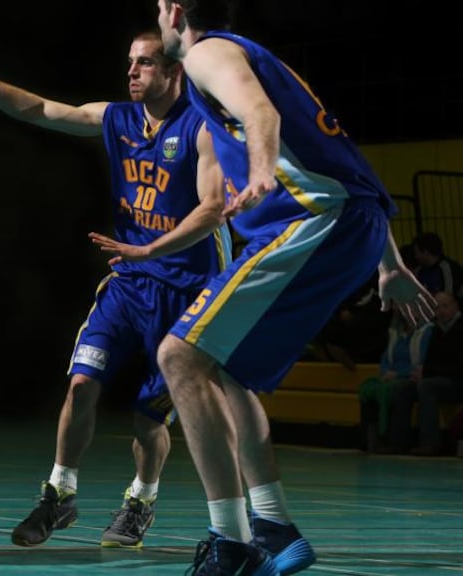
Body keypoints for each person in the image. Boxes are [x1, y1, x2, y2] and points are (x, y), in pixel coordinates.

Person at [151, 1, 438, 574]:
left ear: (176, 10)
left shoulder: (209, 52)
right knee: (229, 373)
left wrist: (260, 169)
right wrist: (389, 262)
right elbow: (344, 160)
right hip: (351, 220)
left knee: (178, 356)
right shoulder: (263, 60)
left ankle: (229, 544)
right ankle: (275, 528)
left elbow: (260, 116)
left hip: (310, 219)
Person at [0, 33, 232, 549]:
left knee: (147, 420)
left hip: (188, 292)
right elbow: (43, 109)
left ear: (174, 72)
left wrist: (149, 249)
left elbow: (212, 209)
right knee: (81, 382)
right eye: (130, 63)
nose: (133, 72)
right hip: (129, 282)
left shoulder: (201, 127)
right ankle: (60, 493)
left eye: (145, 63)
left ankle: (140, 500)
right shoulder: (119, 118)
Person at [388, 291, 463, 455]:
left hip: (458, 382)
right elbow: (431, 362)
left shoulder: (460, 329)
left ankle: (430, 444)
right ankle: (398, 443)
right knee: (402, 389)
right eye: (437, 307)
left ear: (456, 306)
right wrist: (423, 372)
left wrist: (427, 372)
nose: (441, 311)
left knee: (426, 386)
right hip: (439, 380)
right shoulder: (437, 329)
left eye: (445, 306)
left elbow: (458, 367)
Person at [358, 307, 431, 452]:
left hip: (412, 378)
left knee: (399, 390)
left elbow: (422, 364)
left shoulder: (427, 331)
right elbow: (385, 358)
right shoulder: (395, 332)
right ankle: (370, 441)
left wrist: (398, 375)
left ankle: (396, 442)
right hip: (391, 376)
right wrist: (386, 372)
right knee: (368, 390)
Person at [412, 232, 463, 300]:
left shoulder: (447, 268)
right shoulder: (419, 270)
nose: (416, 256)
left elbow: (449, 296)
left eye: (416, 252)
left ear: (426, 252)